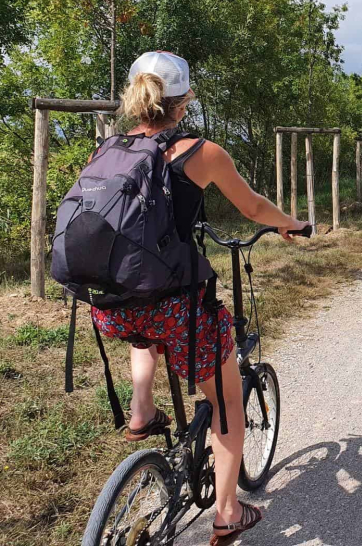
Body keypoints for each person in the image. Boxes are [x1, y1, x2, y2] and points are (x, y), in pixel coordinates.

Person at [90, 51, 307, 544]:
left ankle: (141, 410)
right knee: (229, 404)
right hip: (177, 304)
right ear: (183, 101)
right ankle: (228, 511)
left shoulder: (109, 148)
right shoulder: (198, 152)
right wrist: (291, 224)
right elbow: (252, 206)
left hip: (110, 300)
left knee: (142, 327)